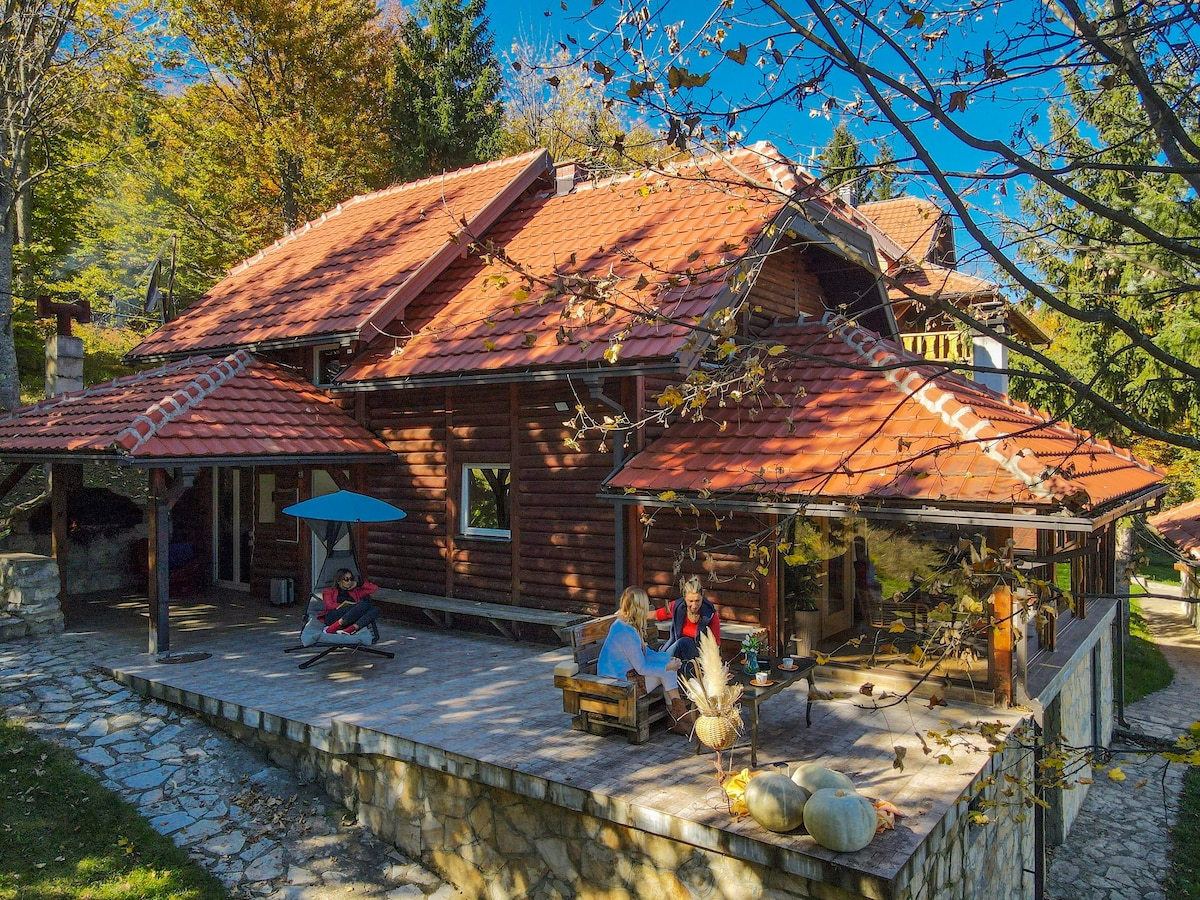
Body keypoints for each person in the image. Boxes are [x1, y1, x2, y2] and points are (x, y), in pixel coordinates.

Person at [598, 586, 695, 736]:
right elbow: (642, 668)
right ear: (638, 608)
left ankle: (677, 717)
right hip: (618, 684)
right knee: (667, 671)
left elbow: (644, 652)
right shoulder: (626, 632)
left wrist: (666, 659)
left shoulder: (626, 624)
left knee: (667, 668)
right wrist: (667, 666)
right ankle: (678, 716)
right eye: (645, 606)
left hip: (625, 675)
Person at [655, 574, 720, 678]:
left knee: (684, 642)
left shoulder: (710, 613)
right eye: (690, 601)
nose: (694, 605)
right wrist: (632, 615)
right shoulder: (677, 606)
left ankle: (663, 667)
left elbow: (715, 643)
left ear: (702, 598)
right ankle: (663, 666)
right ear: (684, 598)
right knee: (674, 648)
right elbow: (657, 615)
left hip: (696, 656)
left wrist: (715, 668)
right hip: (677, 654)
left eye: (697, 601)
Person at [320, 568, 380, 635]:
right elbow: (329, 606)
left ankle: (351, 628)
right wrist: (346, 605)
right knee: (364, 604)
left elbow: (374, 588)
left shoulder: (355, 592)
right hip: (333, 616)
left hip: (351, 618)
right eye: (346, 579)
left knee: (376, 609)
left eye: (351, 579)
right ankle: (333, 628)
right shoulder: (328, 591)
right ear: (339, 581)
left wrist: (358, 584)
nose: (349, 581)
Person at [853, 536, 882, 627]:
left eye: (862, 550)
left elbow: (870, 579)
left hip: (867, 594)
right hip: (862, 594)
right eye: (859, 550)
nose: (861, 553)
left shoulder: (867, 564)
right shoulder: (855, 565)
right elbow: (861, 583)